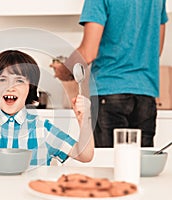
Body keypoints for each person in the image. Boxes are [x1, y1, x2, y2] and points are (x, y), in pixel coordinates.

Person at [50, 0, 168, 147]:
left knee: (107, 165)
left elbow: (88, 53)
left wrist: (64, 71)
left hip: (109, 92)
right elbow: (156, 51)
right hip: (146, 95)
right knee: (139, 167)